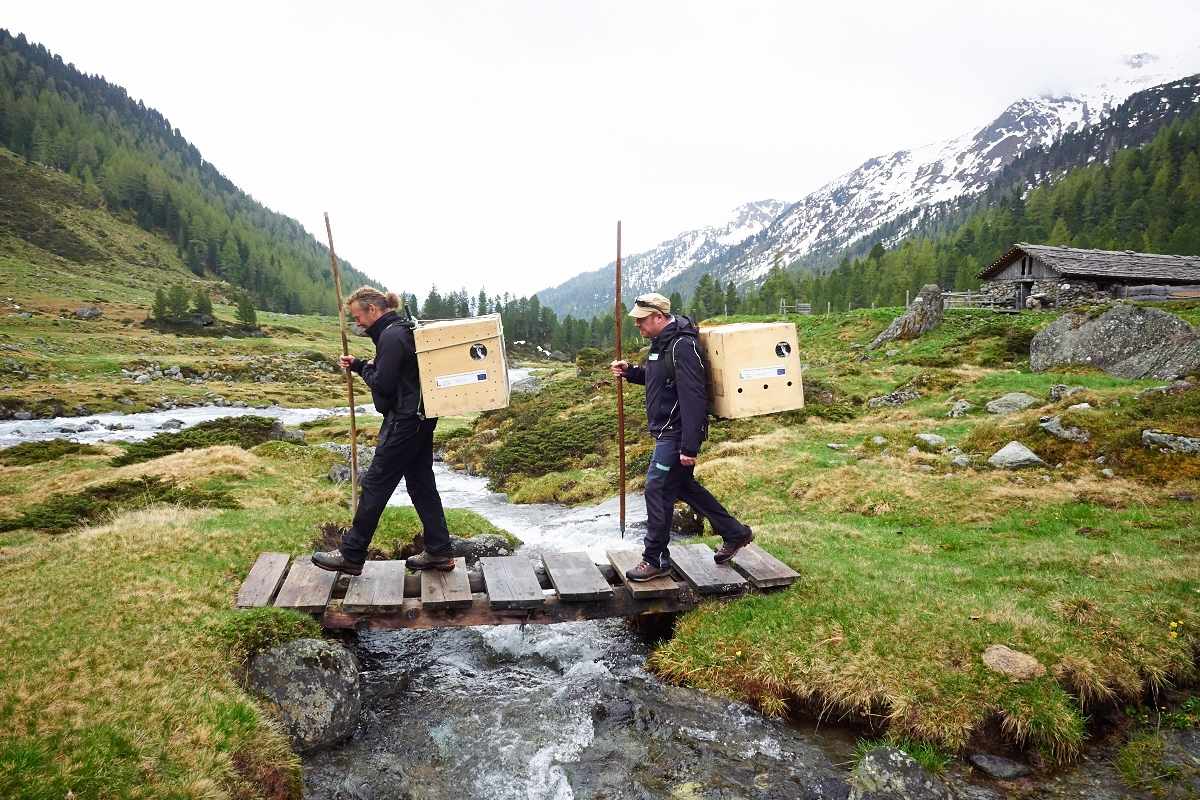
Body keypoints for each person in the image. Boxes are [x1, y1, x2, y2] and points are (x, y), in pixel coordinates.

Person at [610, 292, 753, 581]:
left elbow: (693, 397)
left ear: (659, 317)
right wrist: (632, 372)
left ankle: (656, 559)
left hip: (675, 434)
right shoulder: (660, 344)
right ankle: (735, 533)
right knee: (683, 487)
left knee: (656, 488)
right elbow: (658, 378)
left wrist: (690, 445)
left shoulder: (683, 346)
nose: (637, 325)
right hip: (666, 431)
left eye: (641, 320)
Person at [312, 287, 455, 575]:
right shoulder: (402, 330)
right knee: (421, 484)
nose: (358, 324)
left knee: (376, 483)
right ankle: (439, 551)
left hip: (404, 421)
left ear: (373, 310)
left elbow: (384, 385)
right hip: (422, 417)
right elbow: (394, 376)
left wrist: (363, 370)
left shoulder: (390, 337)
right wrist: (361, 365)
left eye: (358, 317)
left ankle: (352, 554)